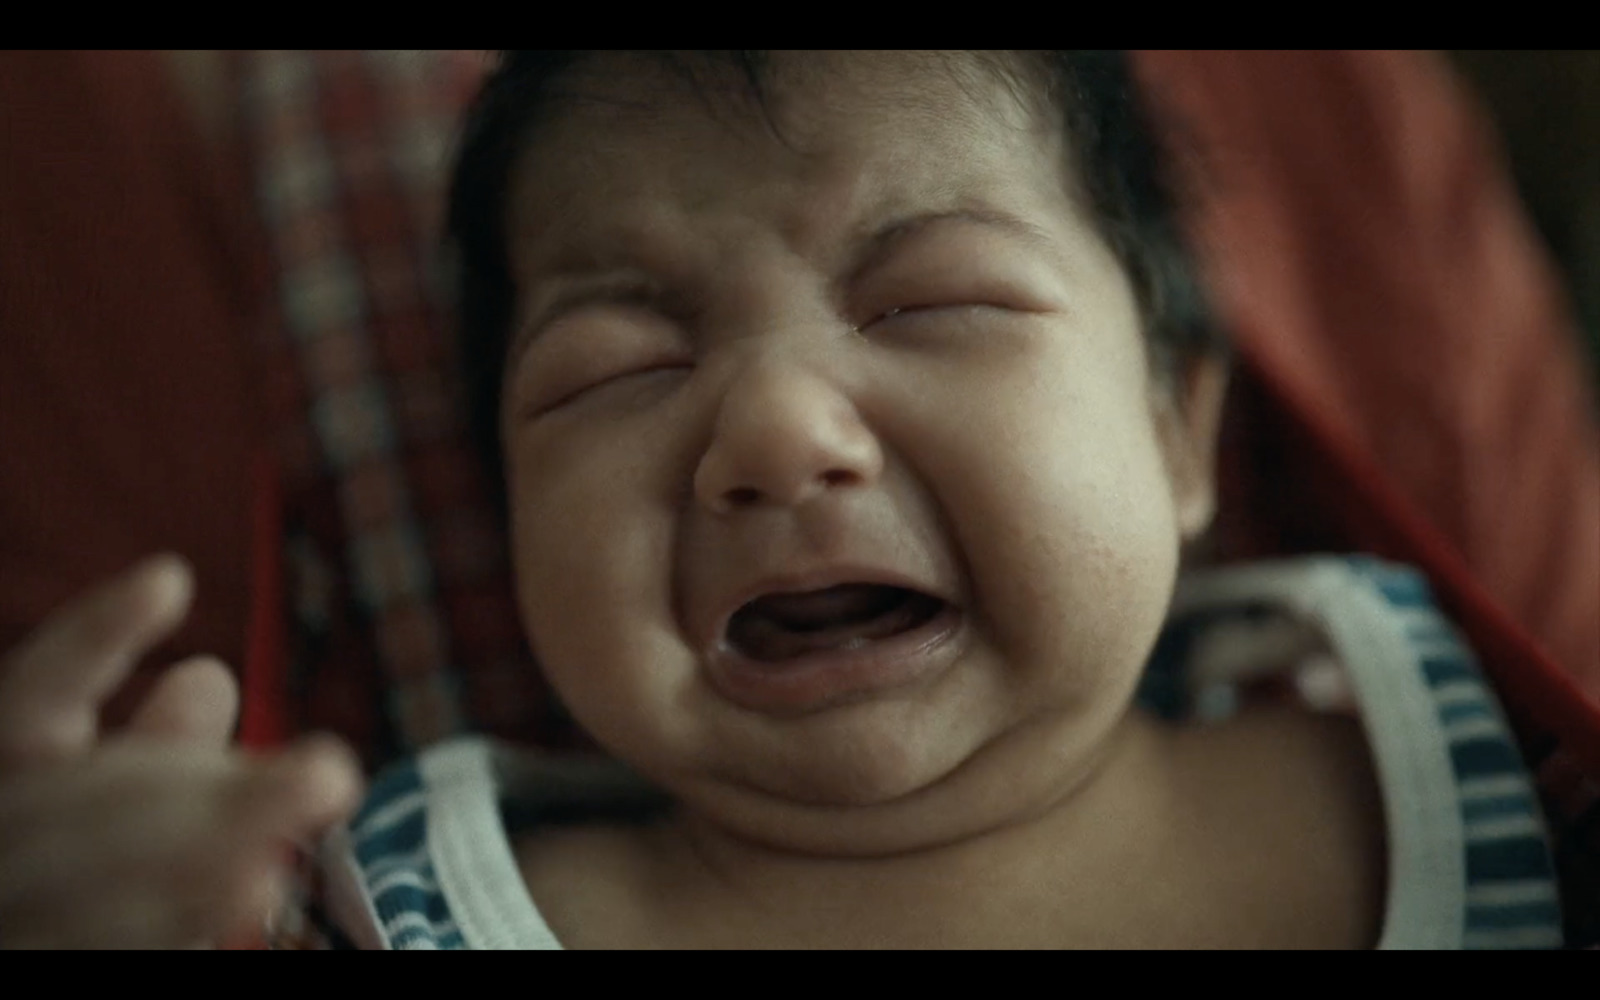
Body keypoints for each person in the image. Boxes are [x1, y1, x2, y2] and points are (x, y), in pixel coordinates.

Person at [0, 50, 1568, 949]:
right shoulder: (380, 901)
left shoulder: (1455, 749)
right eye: (611, 372)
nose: (772, 432)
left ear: (1179, 433)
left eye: (930, 303)